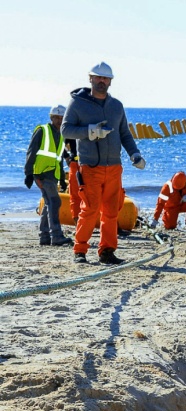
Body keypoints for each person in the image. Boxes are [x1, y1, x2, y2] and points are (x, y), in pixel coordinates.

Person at [62, 61, 146, 265]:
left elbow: (124, 133)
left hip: (114, 168)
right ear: (90, 79)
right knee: (89, 210)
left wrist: (134, 154)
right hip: (90, 168)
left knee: (111, 212)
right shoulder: (77, 103)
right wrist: (90, 132)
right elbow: (65, 130)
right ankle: (80, 251)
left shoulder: (116, 106)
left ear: (110, 81)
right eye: (98, 77)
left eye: (105, 78)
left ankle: (107, 252)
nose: (102, 81)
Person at [23, 105, 72, 247]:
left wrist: (62, 179)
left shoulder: (62, 134)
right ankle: (56, 236)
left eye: (61, 118)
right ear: (51, 118)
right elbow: (31, 152)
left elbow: (59, 156)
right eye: (56, 117)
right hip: (42, 173)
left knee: (48, 203)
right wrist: (28, 174)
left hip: (53, 174)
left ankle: (44, 236)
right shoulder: (42, 131)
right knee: (54, 202)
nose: (59, 120)